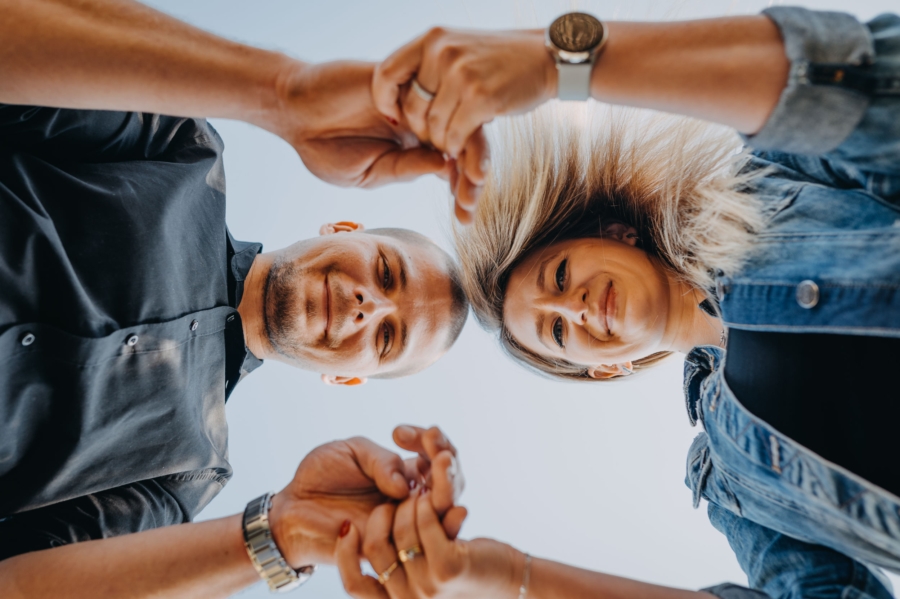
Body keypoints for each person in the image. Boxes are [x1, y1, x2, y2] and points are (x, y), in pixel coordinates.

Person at [369, 5, 900, 599]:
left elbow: (873, 87)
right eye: (557, 333)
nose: (575, 310)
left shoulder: (773, 183)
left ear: (614, 233)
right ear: (607, 368)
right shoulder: (730, 479)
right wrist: (508, 576)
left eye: (561, 275)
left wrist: (559, 64)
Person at [0, 0, 468, 591]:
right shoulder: (183, 147)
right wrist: (283, 93)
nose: (366, 306)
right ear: (343, 229)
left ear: (347, 379)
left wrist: (281, 534)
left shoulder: (186, 477)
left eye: (386, 336)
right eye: (386, 273)